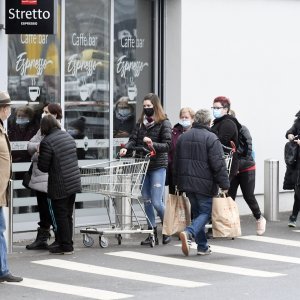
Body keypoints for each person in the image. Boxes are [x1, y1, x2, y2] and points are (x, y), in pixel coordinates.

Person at [174, 109, 230, 256]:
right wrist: (225, 184)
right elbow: (218, 164)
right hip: (204, 184)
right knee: (206, 212)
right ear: (208, 122)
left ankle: (202, 246)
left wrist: (177, 182)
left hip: (187, 182)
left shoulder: (183, 137)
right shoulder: (211, 138)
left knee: (198, 213)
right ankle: (189, 232)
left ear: (195, 121)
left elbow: (176, 163)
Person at [119, 93, 172, 245]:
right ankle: (151, 232)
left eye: (150, 106)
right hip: (143, 165)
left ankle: (167, 228)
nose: (147, 109)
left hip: (157, 166)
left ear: (156, 106)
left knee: (156, 201)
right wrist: (126, 149)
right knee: (147, 200)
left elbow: (168, 145)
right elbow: (133, 139)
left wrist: (152, 144)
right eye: (145, 106)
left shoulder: (164, 122)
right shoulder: (140, 123)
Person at [37, 114, 81, 254]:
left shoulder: (47, 142)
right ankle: (68, 242)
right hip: (73, 181)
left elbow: (43, 167)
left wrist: (39, 154)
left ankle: (66, 246)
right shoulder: (67, 136)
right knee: (68, 214)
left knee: (60, 215)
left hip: (59, 183)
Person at [25, 103, 63, 250]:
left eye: (46, 112)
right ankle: (42, 238)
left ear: (55, 114)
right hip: (38, 177)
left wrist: (38, 152)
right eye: (43, 112)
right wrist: (37, 148)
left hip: (48, 177)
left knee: (51, 209)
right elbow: (29, 145)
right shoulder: (42, 129)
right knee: (43, 209)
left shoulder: (59, 130)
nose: (43, 114)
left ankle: (59, 237)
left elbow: (47, 155)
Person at [228, 110, 266, 235]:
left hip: (246, 168)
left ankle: (259, 218)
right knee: (229, 197)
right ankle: (230, 225)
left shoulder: (243, 130)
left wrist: (236, 164)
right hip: (232, 170)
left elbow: (247, 150)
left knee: (248, 195)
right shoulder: (224, 133)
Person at [0, 91, 23, 282]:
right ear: (2, 109)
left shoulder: (1, 128)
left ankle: (2, 270)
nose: (10, 111)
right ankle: (2, 270)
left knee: (0, 229)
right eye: (8, 108)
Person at [167, 107, 195, 194]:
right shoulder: (174, 132)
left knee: (191, 199)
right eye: (182, 117)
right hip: (176, 171)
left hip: (191, 172)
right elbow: (170, 150)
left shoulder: (196, 133)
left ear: (192, 119)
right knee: (176, 199)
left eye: (186, 117)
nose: (184, 119)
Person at [284, 110, 300, 227]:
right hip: (297, 163)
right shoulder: (298, 121)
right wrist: (290, 135)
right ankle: (293, 217)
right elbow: (291, 131)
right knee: (297, 190)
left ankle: (293, 217)